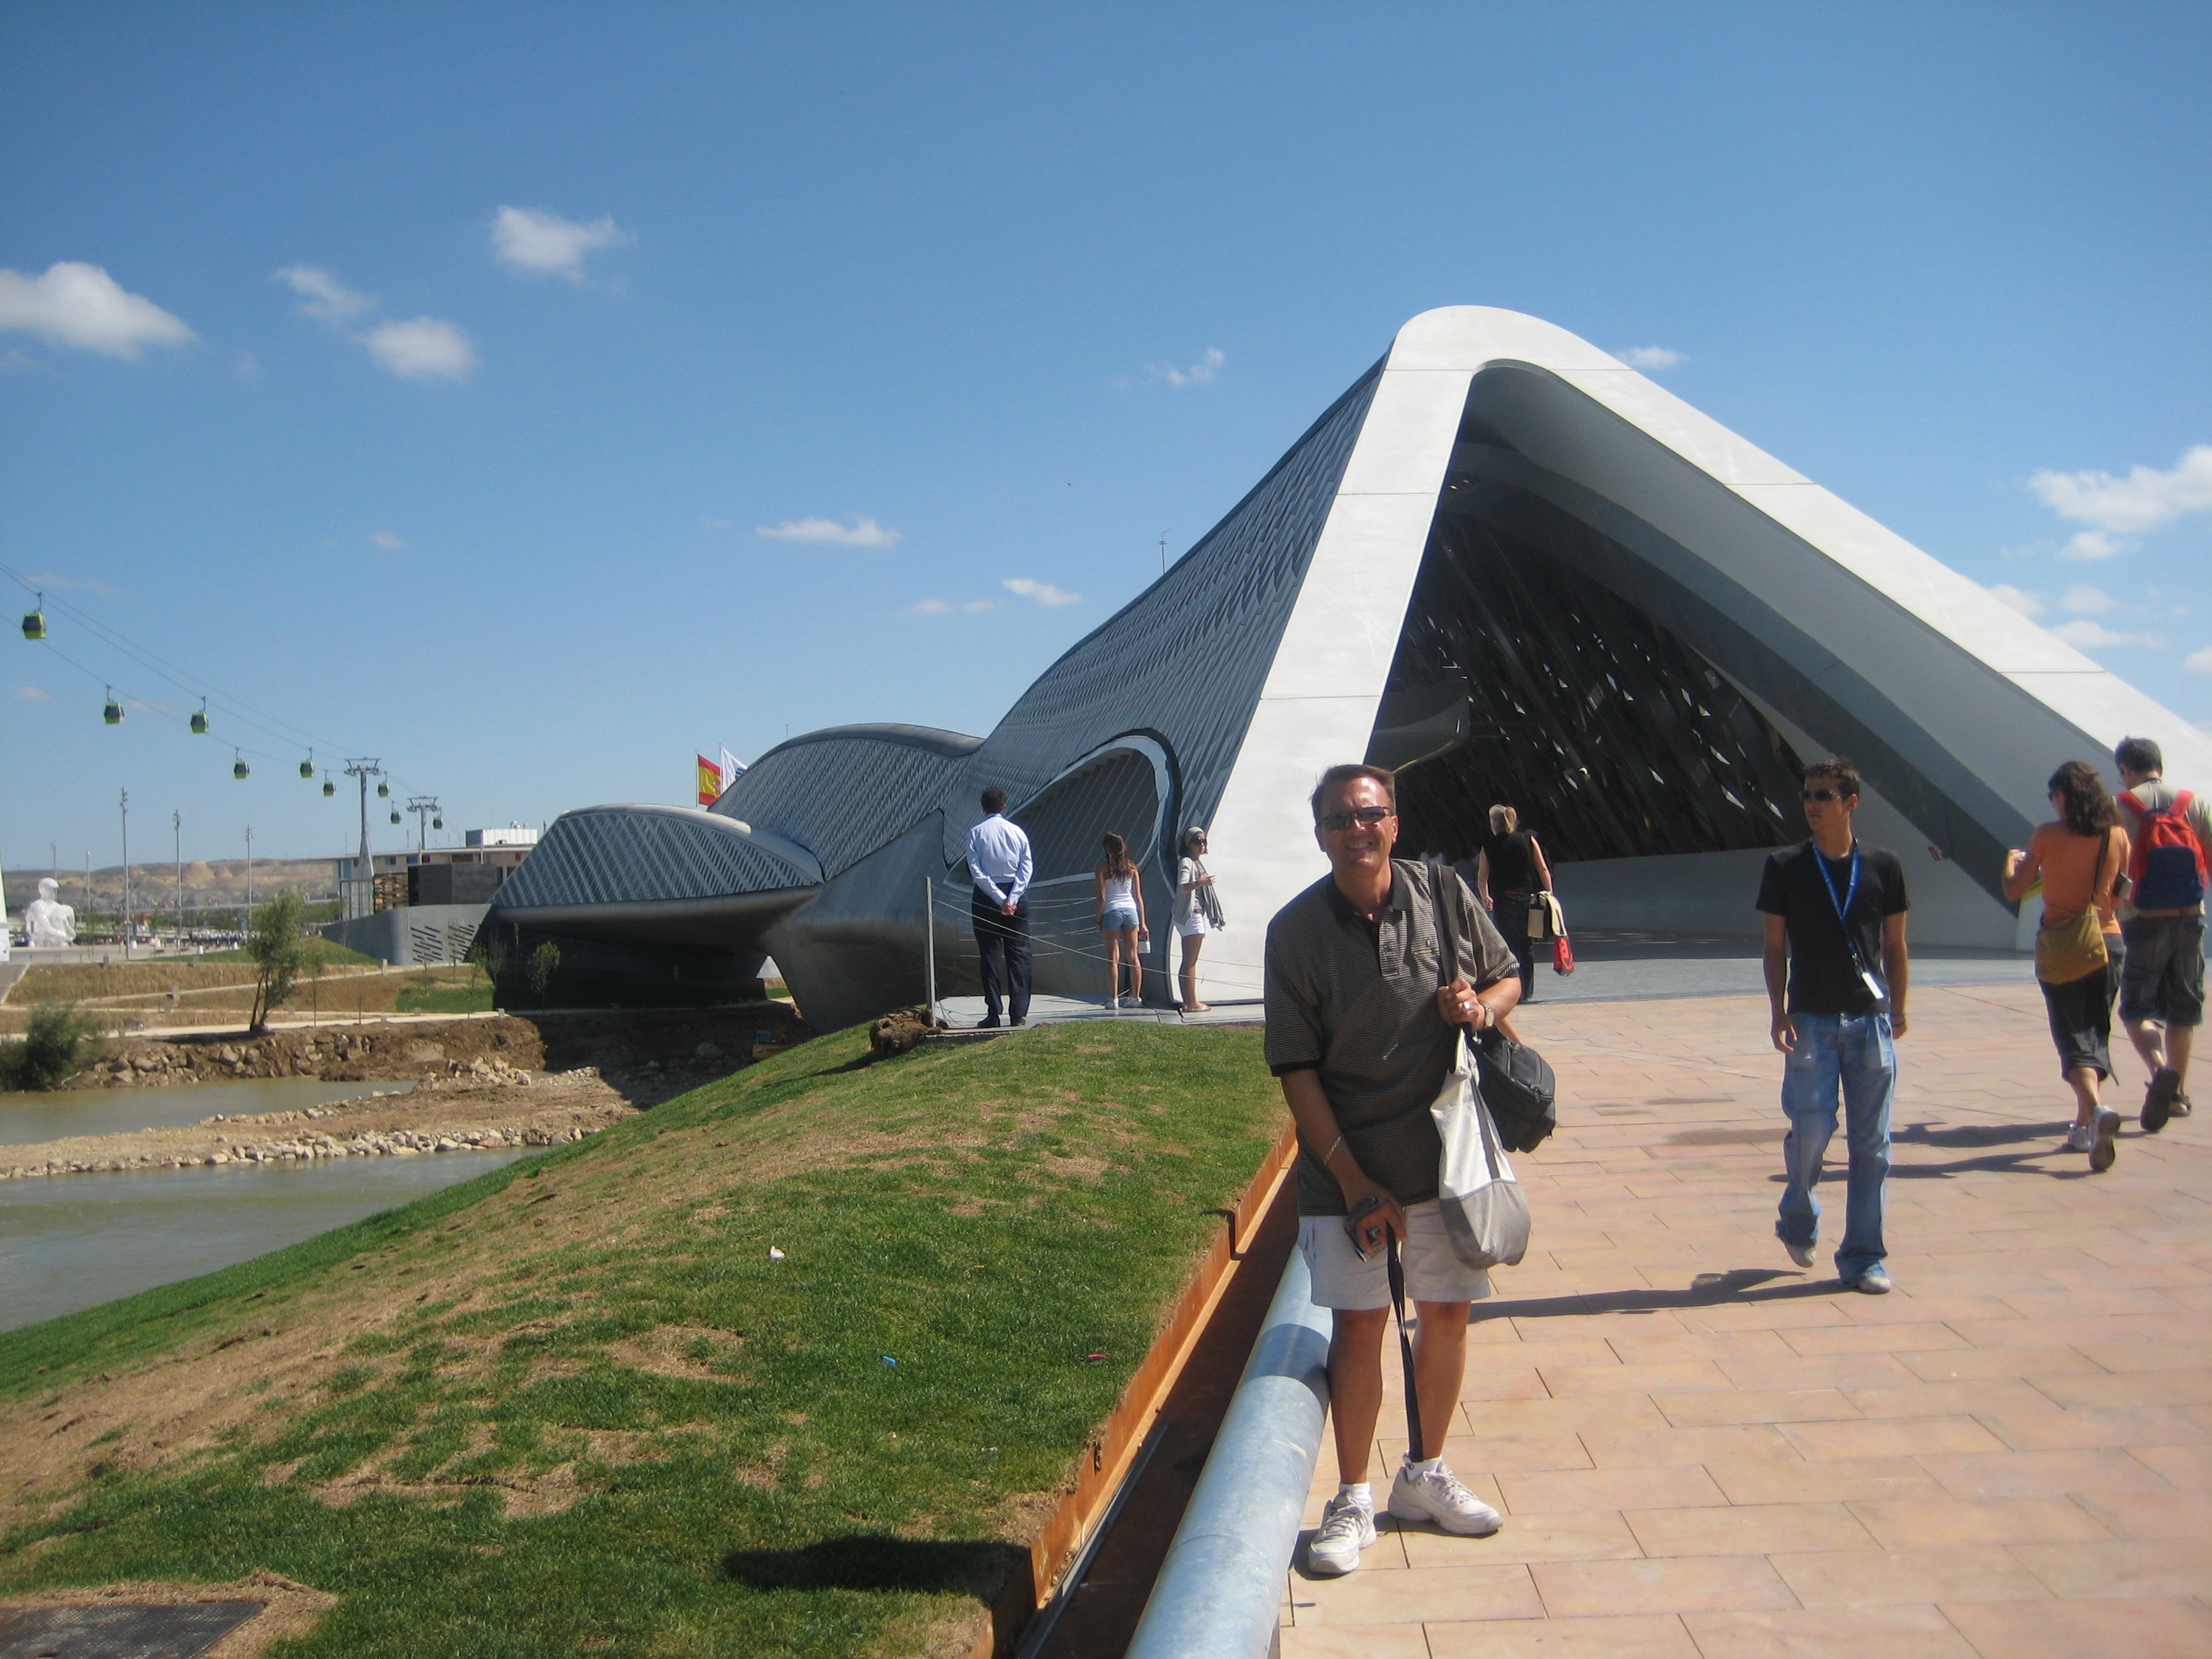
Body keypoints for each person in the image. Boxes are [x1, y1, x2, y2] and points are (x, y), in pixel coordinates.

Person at [1265, 763, 1521, 1576]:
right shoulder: (1294, 932)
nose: (1357, 829)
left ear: (1394, 823)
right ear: (1320, 836)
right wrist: (1353, 1183)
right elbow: (1297, 1070)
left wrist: (1480, 1008)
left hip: (1446, 1161)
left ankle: (1424, 1475)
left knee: (1446, 1314)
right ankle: (1351, 1496)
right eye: (1340, 819)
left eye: (1370, 814)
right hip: (1347, 1169)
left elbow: (1509, 977)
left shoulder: (1442, 894)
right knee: (1360, 1327)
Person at [1756, 757, 1909, 1293]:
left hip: (1869, 1021)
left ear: (1851, 803)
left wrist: (1899, 1009)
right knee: (1811, 1132)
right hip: (1810, 1020)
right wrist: (1778, 1011)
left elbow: (1895, 944)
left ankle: (1863, 1256)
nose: (1812, 804)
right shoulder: (1785, 866)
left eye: (1823, 795)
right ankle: (1798, 1211)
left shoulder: (1884, 866)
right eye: (1807, 795)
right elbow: (1774, 946)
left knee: (1872, 1146)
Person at [2003, 761, 2130, 1170]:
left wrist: (2010, 863)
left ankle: (2096, 1110)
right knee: (2095, 1031)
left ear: (2064, 796)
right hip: (2108, 941)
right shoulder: (2116, 834)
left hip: (2064, 943)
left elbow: (2015, 890)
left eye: (2053, 795)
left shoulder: (2047, 835)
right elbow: (2121, 893)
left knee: (2071, 1034)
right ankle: (2084, 1126)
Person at [2111, 736, 2211, 1131]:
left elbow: (2110, 867)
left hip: (2142, 918)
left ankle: (2158, 1071)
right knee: (2184, 1007)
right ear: (2159, 765)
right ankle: (2178, 1095)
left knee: (2137, 1007)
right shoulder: (2193, 803)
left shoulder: (2118, 807)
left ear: (2126, 769)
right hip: (2189, 917)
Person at [965, 786, 1033, 1028]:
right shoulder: (1018, 832)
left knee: (990, 954)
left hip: (986, 896)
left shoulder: (975, 833)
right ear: (1004, 806)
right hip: (1016, 893)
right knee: (1019, 953)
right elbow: (1026, 867)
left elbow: (976, 871)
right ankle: (1019, 1013)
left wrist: (998, 899)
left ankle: (994, 1012)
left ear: (983, 807)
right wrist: (1012, 898)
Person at [1475, 806, 1552, 1003]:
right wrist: (1550, 893)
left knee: (1508, 947)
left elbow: (1482, 877)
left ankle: (1512, 991)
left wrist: (1485, 897)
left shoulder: (1489, 845)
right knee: (1527, 947)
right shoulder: (1528, 840)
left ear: (1494, 824)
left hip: (1503, 900)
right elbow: (1543, 868)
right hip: (1527, 900)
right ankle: (1527, 991)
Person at [1092, 831, 1149, 1008]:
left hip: (1111, 912)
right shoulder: (1132, 868)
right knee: (1133, 957)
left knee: (1113, 958)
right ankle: (1135, 997)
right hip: (1131, 911)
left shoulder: (1102, 868)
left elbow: (1102, 897)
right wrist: (1143, 923)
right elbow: (1138, 897)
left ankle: (1114, 999)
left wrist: (1098, 919)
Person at [1174, 827, 1220, 1013]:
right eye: (1197, 841)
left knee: (1189, 960)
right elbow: (1182, 886)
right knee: (1190, 961)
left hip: (1194, 914)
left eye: (1204, 841)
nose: (1201, 844)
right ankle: (1191, 1003)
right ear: (1188, 844)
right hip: (1192, 914)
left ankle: (1189, 1002)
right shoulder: (1187, 862)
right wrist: (1198, 883)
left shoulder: (1196, 863)